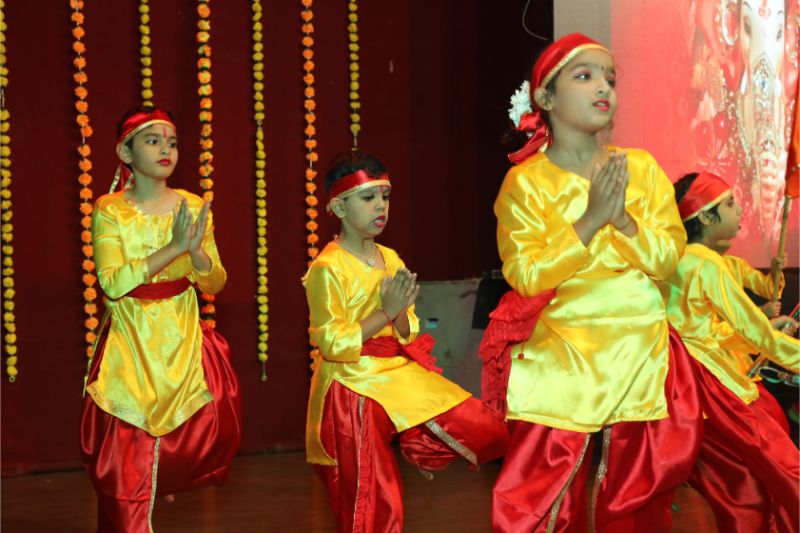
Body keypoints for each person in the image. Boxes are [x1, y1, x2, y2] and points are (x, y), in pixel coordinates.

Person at [485, 33, 703, 532]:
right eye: (584, 76)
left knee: (637, 498)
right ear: (545, 97)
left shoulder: (639, 168)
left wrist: (621, 220)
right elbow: (525, 276)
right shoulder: (526, 183)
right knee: (537, 496)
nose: (604, 87)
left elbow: (666, 260)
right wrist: (588, 221)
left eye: (610, 78)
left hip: (641, 349)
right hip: (562, 352)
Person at [304, 150, 509, 532]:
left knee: (483, 426)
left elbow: (409, 328)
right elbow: (331, 342)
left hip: (394, 371)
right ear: (339, 207)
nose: (381, 206)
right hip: (351, 385)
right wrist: (386, 312)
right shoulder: (327, 268)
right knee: (370, 493)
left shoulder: (390, 258)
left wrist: (398, 314)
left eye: (385, 196)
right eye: (369, 197)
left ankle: (418, 443)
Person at [81, 107, 241, 532]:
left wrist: (197, 251)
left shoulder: (192, 205)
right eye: (152, 141)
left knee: (163, 460)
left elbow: (215, 281)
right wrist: (174, 248)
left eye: (171, 142)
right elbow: (113, 284)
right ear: (126, 153)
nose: (165, 149)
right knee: (125, 473)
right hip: (130, 351)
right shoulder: (110, 210)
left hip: (181, 346)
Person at [661, 170, 799, 532]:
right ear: (705, 217)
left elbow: (702, 332)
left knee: (737, 489)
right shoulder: (707, 264)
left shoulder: (674, 260)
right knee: (779, 467)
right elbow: (756, 333)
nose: (739, 211)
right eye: (730, 204)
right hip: (709, 387)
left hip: (681, 389)